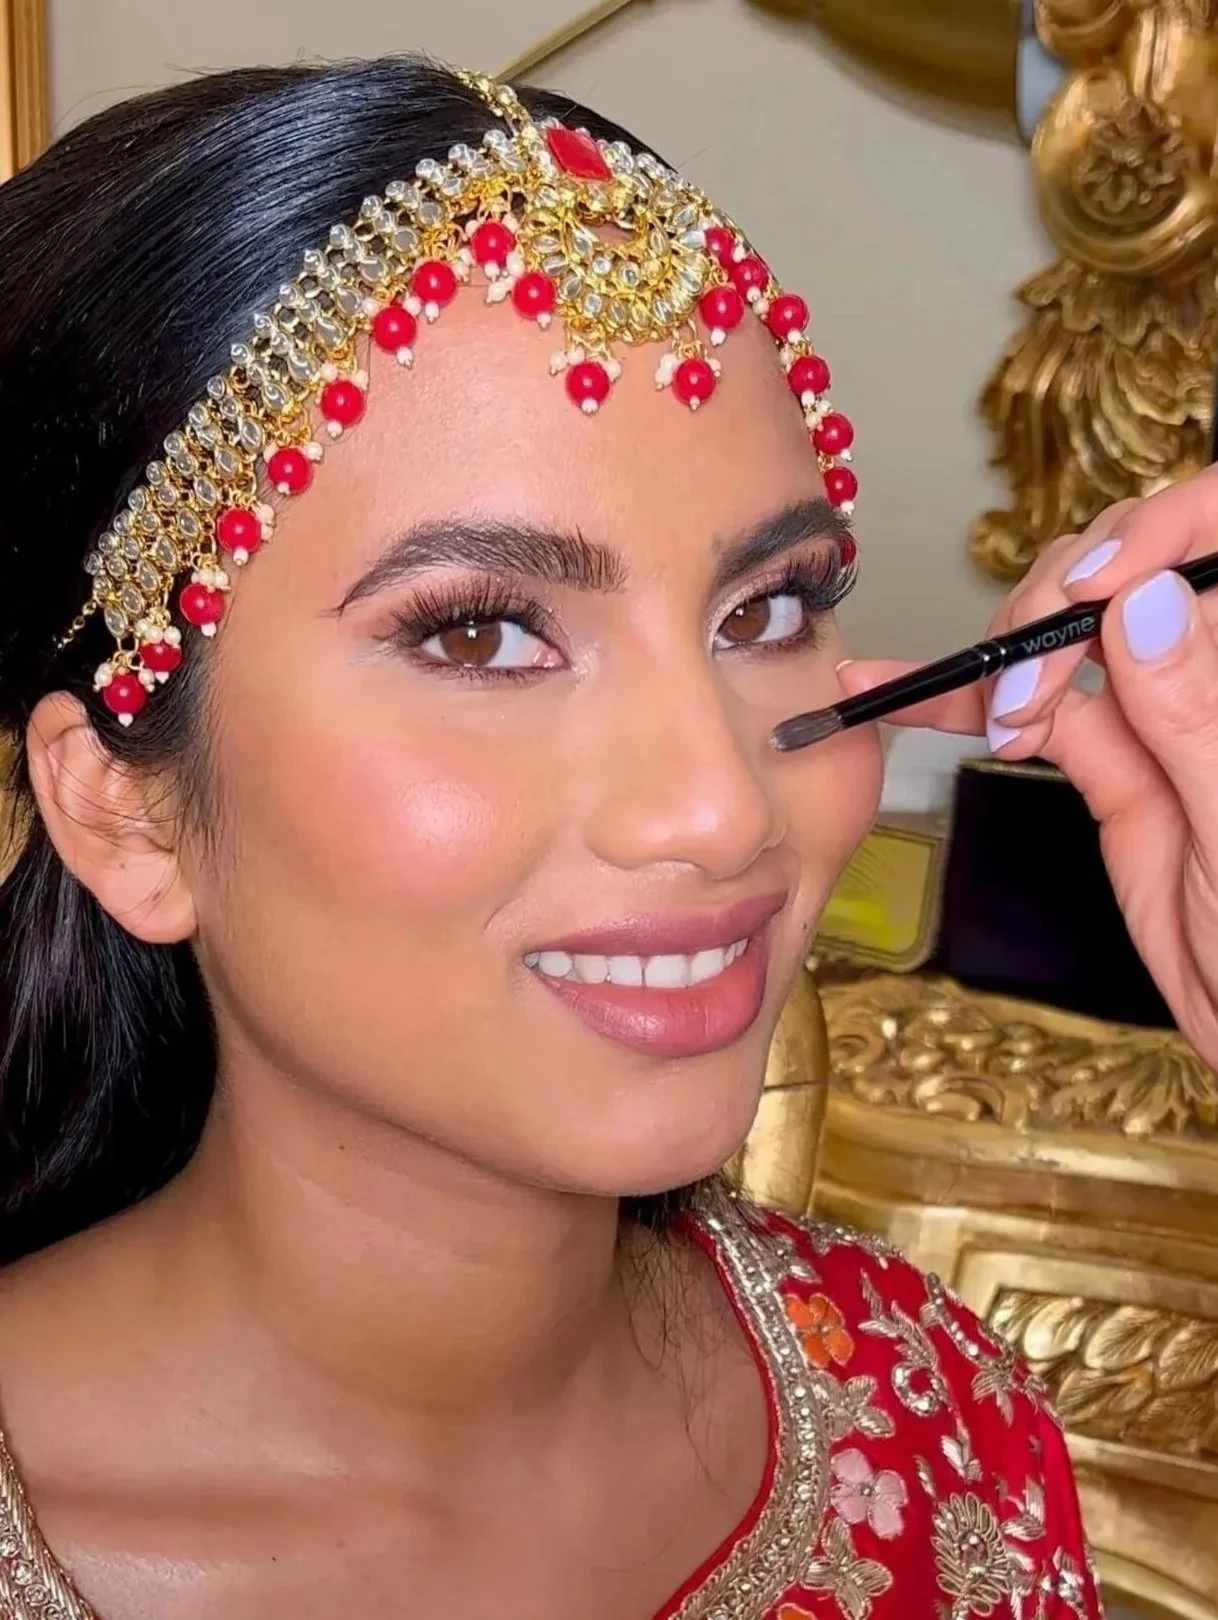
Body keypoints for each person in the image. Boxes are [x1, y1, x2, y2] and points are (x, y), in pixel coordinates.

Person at [0, 49, 1210, 1620]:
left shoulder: (931, 1415)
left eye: (768, 608)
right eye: (479, 638)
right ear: (125, 808)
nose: (716, 808)